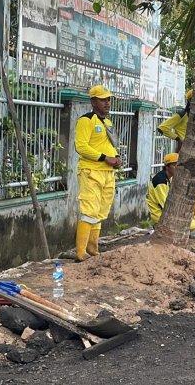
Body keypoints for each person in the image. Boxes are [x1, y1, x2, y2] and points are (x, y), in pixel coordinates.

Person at [74, 85, 121, 262]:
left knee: (101, 211)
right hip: (91, 171)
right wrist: (104, 158)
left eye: (108, 99)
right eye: (103, 99)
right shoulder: (86, 121)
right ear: (93, 102)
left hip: (108, 173)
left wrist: (116, 157)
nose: (107, 103)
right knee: (89, 211)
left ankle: (93, 249)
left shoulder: (107, 122)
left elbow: (110, 146)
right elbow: (81, 146)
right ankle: (80, 252)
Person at [146, 153, 195, 231]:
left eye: (179, 166)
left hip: (167, 213)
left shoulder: (169, 178)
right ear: (167, 167)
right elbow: (166, 205)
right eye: (174, 165)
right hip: (160, 215)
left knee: (194, 220)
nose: (178, 168)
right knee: (193, 225)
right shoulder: (160, 181)